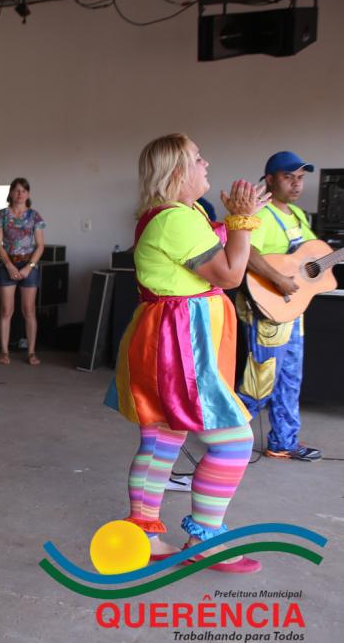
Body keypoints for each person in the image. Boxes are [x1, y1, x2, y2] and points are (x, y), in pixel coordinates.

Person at [105, 133, 270, 573]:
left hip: (170, 338)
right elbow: (230, 274)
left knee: (162, 438)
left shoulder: (185, 212)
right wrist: (241, 222)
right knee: (234, 442)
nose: (206, 163)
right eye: (198, 158)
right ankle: (204, 539)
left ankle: (144, 537)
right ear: (177, 171)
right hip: (179, 343)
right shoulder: (174, 219)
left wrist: (239, 222)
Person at [235, 151, 322, 461]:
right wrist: (278, 279)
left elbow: (311, 256)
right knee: (259, 384)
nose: (297, 184)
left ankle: (284, 441)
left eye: (300, 178)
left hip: (293, 311)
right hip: (266, 311)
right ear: (270, 179)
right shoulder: (261, 212)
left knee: (290, 379)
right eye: (289, 177)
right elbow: (246, 251)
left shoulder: (297, 215)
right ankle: (224, 435)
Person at [0, 178, 45, 365]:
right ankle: (4, 351)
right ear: (10, 193)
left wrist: (29, 267)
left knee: (29, 310)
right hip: (7, 265)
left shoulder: (34, 216)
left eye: (23, 191)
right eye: (16, 190)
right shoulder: (2, 215)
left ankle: (31, 352)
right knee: (6, 310)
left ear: (28, 194)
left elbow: (40, 245)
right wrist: (9, 265)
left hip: (29, 266)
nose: (20, 194)